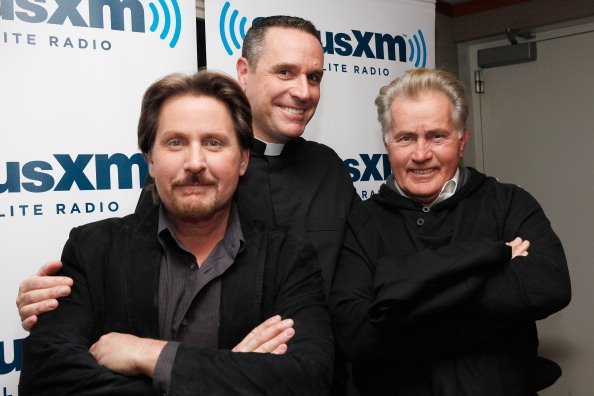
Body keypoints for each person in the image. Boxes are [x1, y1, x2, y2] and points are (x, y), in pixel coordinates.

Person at [17, 15, 356, 394]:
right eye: (285, 72)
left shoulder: (317, 202)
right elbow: (46, 378)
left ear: (240, 159)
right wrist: (231, 375)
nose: (303, 91)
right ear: (151, 158)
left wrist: (151, 357)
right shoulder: (98, 246)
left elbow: (307, 373)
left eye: (314, 77)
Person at [329, 68, 571, 395]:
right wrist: (488, 259)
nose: (421, 154)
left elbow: (550, 286)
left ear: (462, 140)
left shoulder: (508, 203)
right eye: (405, 138)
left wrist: (399, 296)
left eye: (436, 136)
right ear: (387, 143)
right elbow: (356, 334)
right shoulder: (361, 223)